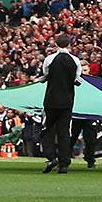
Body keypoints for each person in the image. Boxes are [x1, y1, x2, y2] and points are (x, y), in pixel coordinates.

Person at [39, 34, 81, 173]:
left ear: (55, 44)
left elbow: (45, 75)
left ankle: (51, 157)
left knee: (47, 130)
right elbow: (77, 79)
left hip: (51, 99)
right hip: (67, 101)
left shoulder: (49, 59)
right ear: (69, 44)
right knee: (64, 132)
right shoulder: (75, 60)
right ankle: (64, 163)